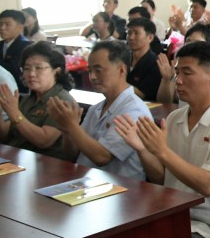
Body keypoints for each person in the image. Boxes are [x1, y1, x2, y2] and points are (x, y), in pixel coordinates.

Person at [114, 41, 210, 238]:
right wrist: (142, 150)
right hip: (171, 214)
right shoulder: (176, 118)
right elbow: (161, 177)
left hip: (209, 226)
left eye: (187, 73)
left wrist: (163, 152)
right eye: (177, 72)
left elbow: (209, 185)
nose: (178, 80)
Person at [47, 40, 151, 180]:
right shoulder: (96, 108)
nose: (92, 77)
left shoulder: (133, 110)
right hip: (87, 182)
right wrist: (67, 129)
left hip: (120, 190)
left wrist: (72, 126)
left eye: (98, 70)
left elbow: (102, 157)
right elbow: (72, 153)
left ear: (122, 70)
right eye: (90, 71)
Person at [0, 41, 75, 159]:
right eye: (26, 68)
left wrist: (15, 113)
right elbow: (4, 137)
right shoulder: (28, 98)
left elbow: (44, 141)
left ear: (56, 71)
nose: (31, 73)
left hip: (46, 165)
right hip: (17, 158)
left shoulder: (62, 101)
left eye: (39, 68)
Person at [158, 24, 210, 103]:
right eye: (188, 42)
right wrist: (166, 79)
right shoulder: (180, 65)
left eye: (197, 43)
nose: (191, 47)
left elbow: (196, 104)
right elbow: (164, 103)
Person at [0, 9, 32, 91]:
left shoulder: (25, 45)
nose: (2, 28)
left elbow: (13, 70)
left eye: (7, 24)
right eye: (0, 23)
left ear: (20, 27)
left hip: (18, 90)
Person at [125, 18, 162, 101]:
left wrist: (117, 82)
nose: (131, 37)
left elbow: (143, 95)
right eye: (129, 33)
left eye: (136, 33)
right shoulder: (123, 59)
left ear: (150, 38)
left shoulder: (155, 63)